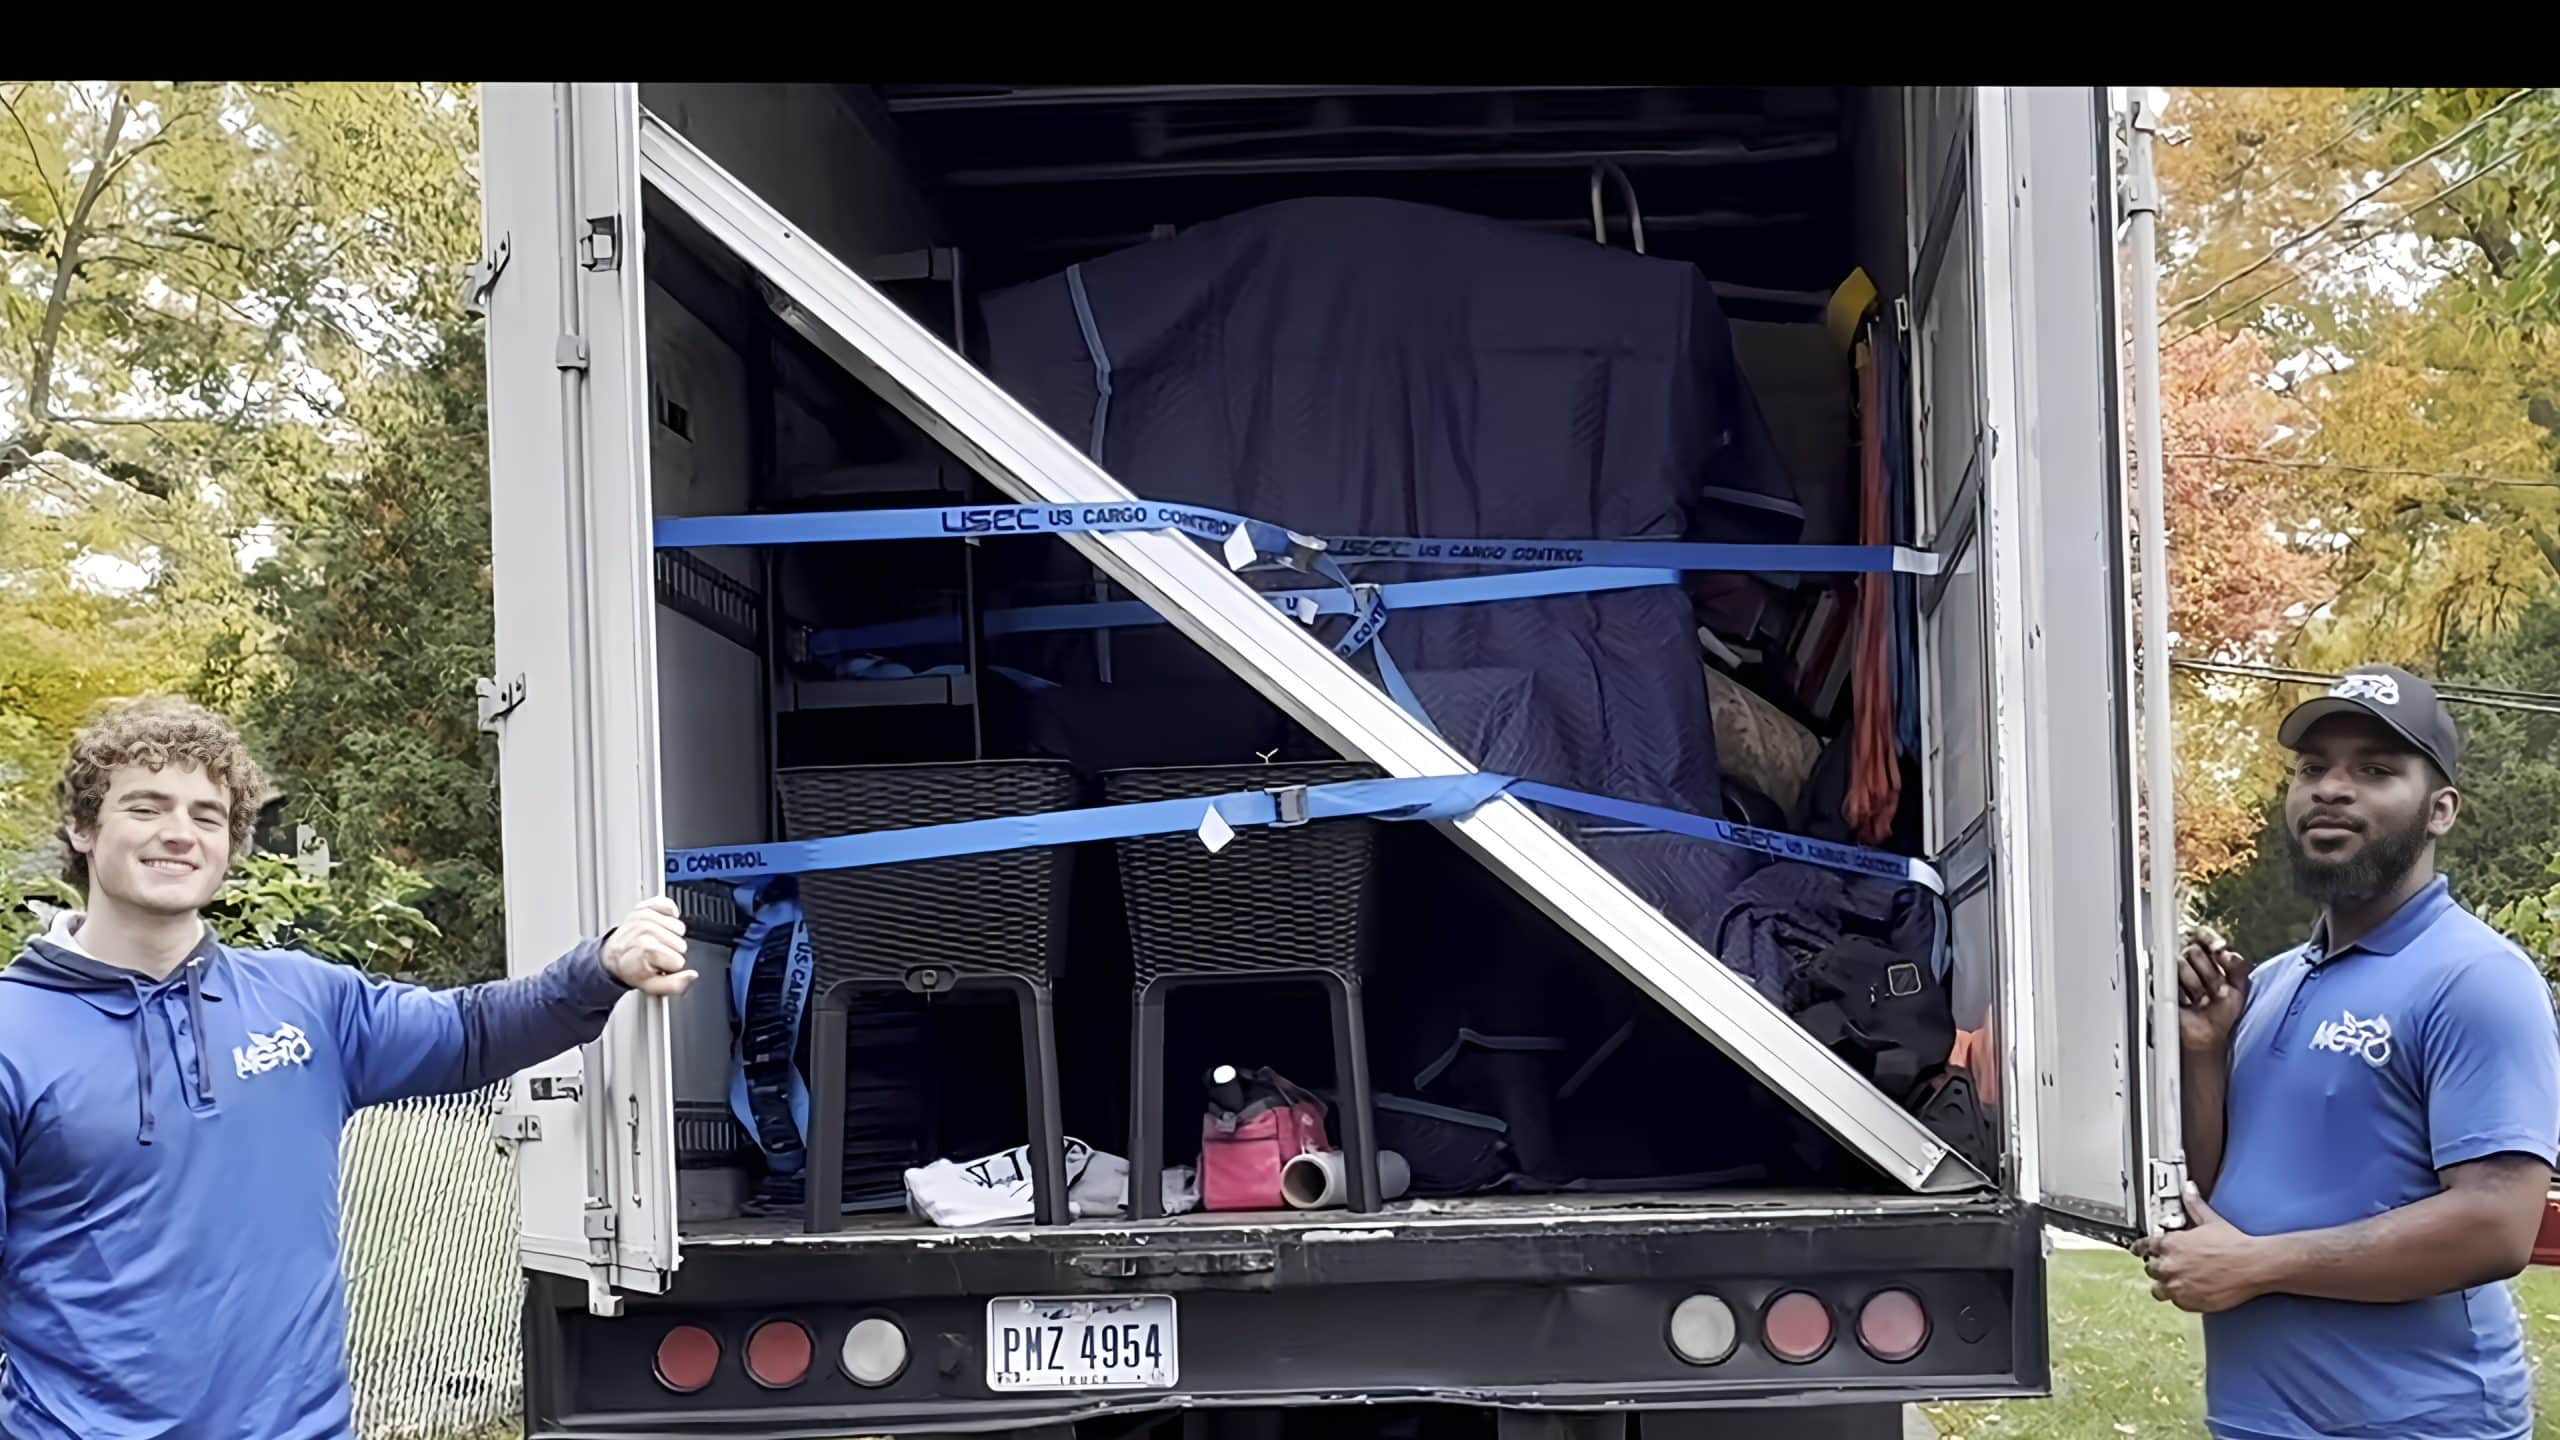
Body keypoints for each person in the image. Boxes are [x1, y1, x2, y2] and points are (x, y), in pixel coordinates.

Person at [0, 697, 700, 1440]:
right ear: (82, 828)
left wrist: (603, 966)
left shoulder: (304, 1002)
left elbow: (471, 1031)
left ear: (231, 844)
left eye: (206, 816)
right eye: (145, 807)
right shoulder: (16, 1034)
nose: (179, 833)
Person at [2136, 664, 2560, 1440]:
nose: (2331, 788)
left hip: (2421, 1422)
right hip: (2257, 1415)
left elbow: (2498, 1226)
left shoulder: (2478, 979)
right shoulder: (2265, 983)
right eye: (2312, 768)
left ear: (2440, 811)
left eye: (2374, 769)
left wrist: (2256, 1266)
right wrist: (2206, 1052)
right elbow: (2215, 1189)